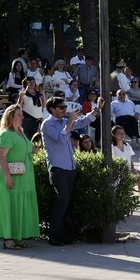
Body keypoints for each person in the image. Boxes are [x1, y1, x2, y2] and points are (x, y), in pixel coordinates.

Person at [39, 96, 101, 246]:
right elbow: (60, 138)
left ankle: (63, 234)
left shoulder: (65, 122)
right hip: (58, 169)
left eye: (65, 107)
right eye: (61, 107)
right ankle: (54, 236)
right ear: (52, 109)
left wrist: (97, 109)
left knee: (67, 203)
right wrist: (70, 123)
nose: (64, 110)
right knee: (62, 201)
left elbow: (84, 121)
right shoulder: (47, 124)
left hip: (70, 168)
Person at [0, 105, 39, 250]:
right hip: (10, 174)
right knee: (10, 206)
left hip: (23, 175)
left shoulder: (21, 132)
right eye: (19, 115)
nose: (22, 117)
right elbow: (1, 156)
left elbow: (27, 149)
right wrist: (7, 177)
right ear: (11, 117)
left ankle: (18, 238)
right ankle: (8, 239)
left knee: (19, 206)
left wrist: (35, 149)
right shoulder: (7, 134)